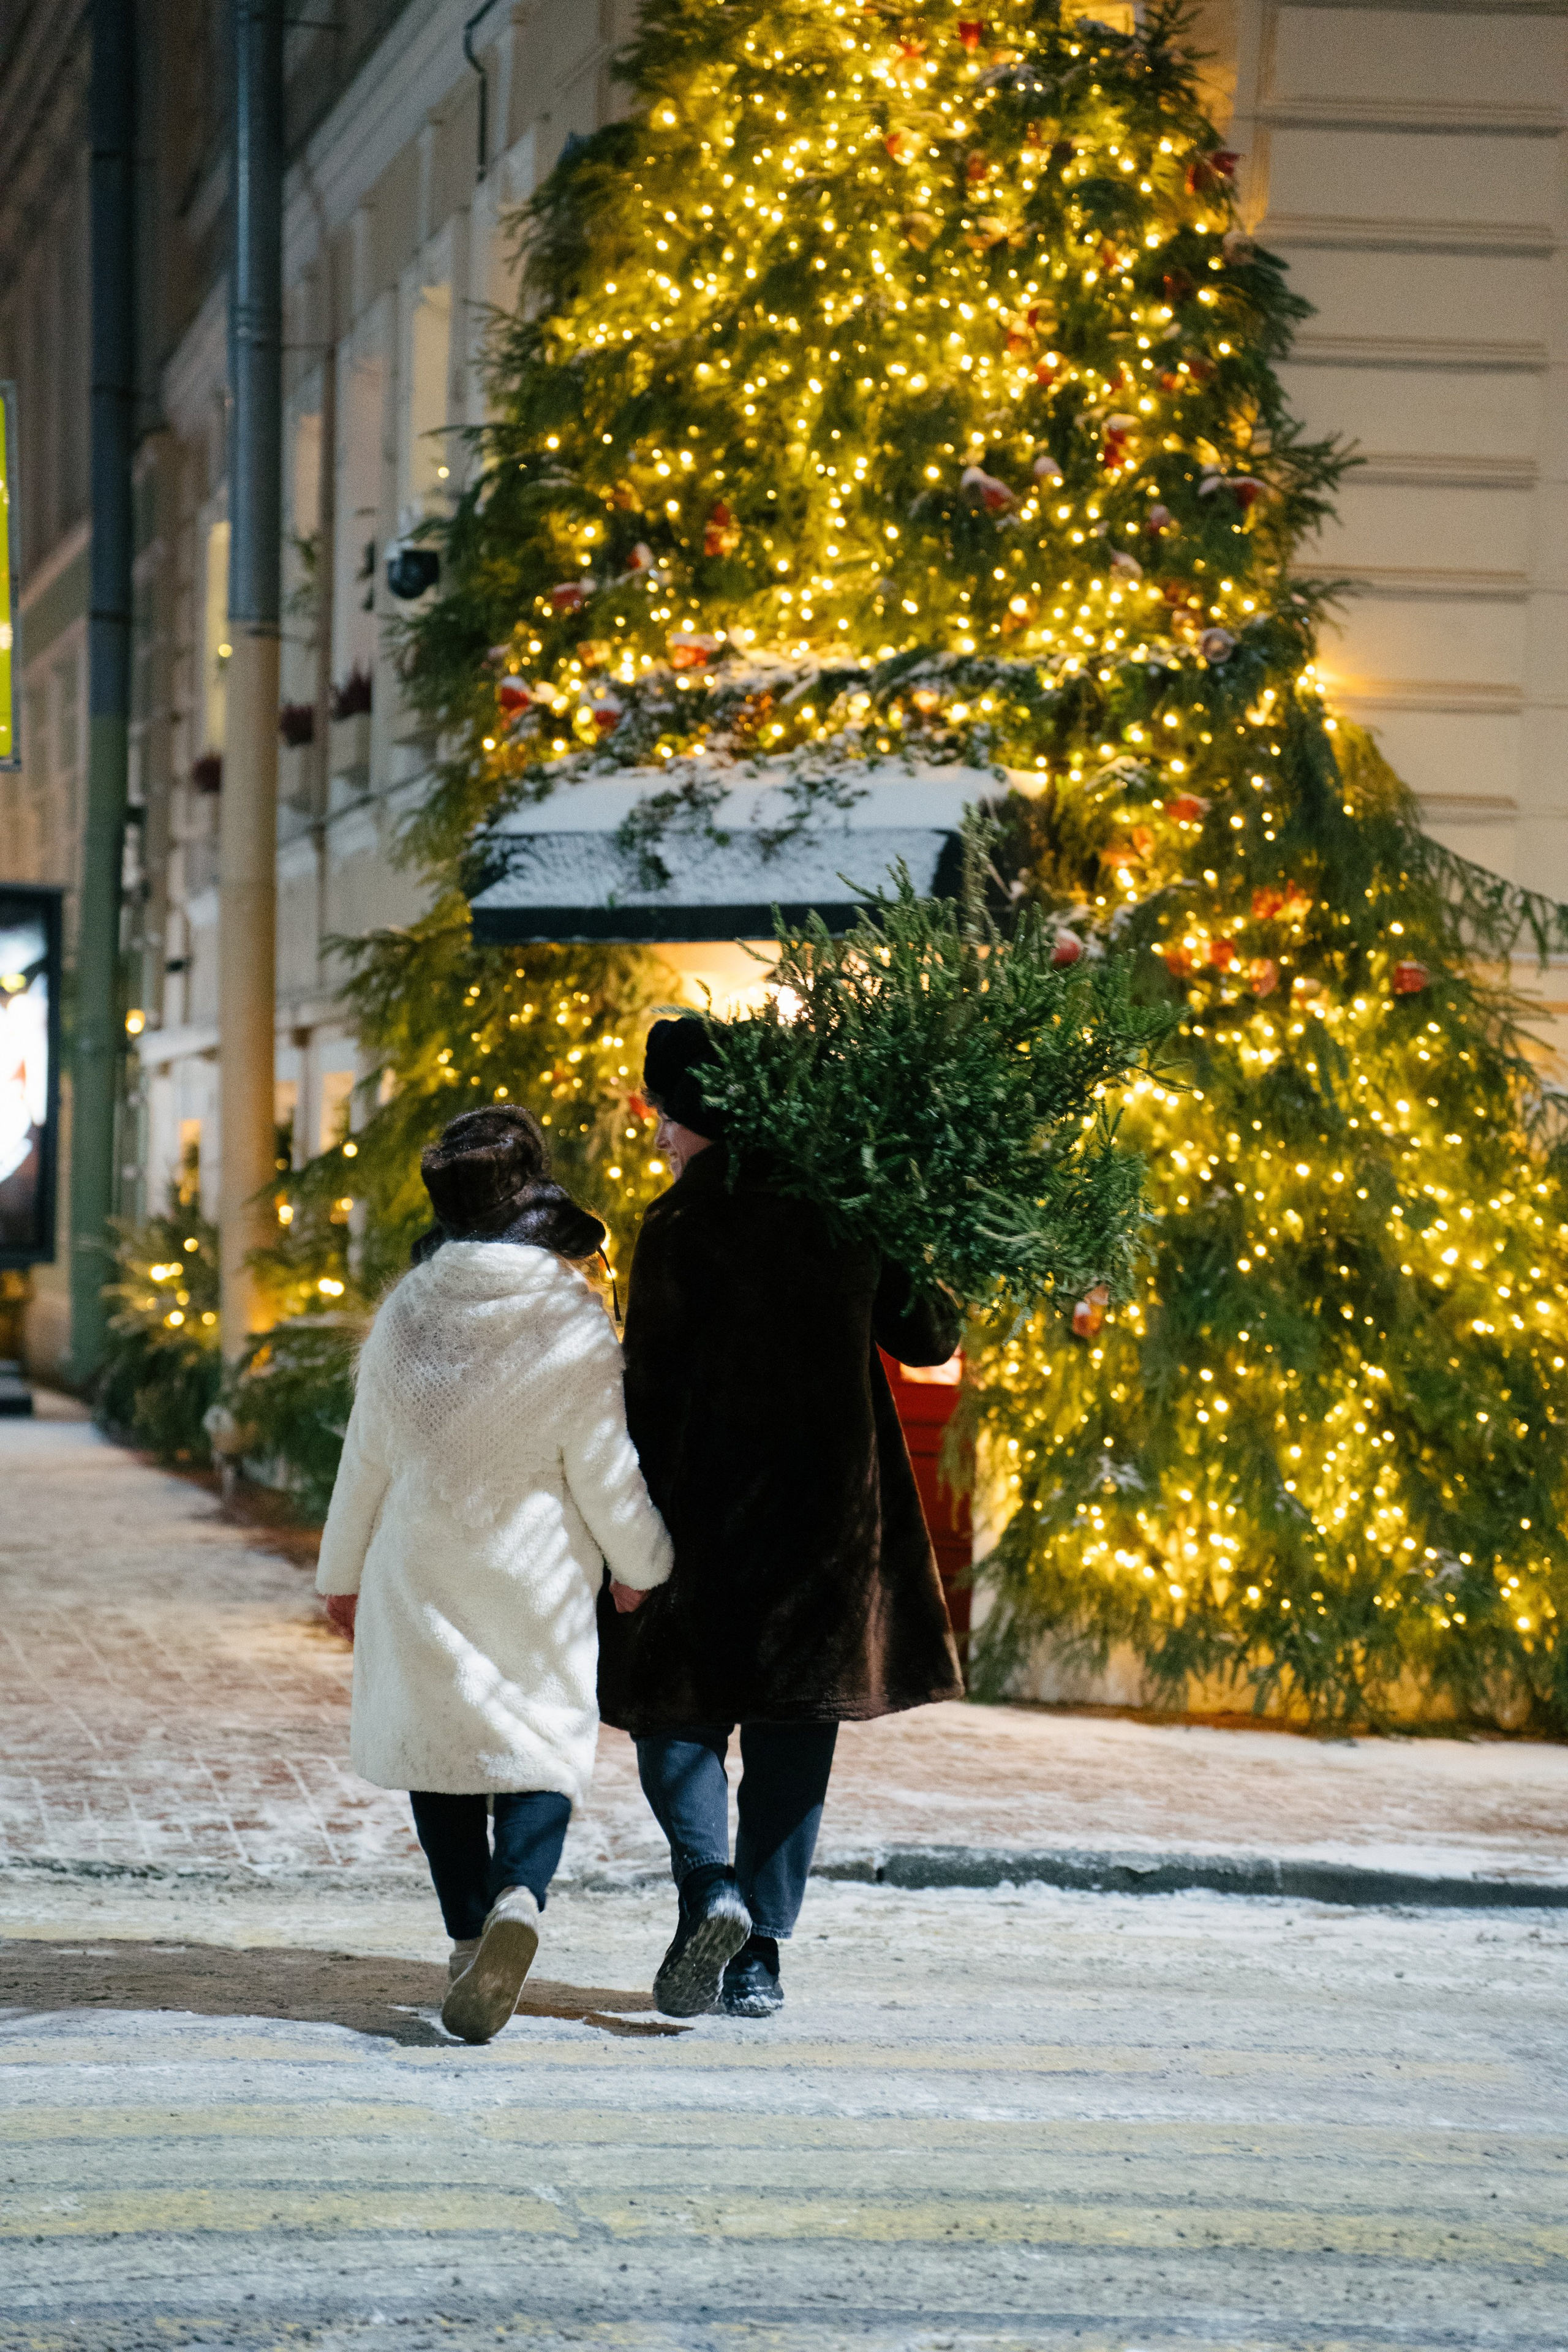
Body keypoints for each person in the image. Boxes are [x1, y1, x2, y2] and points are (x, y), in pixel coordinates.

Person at [599, 1017, 964, 2020]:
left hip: (700, 1518)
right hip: (826, 1528)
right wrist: (908, 1215)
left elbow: (648, 1393)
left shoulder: (678, 1227)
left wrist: (625, 1538)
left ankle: (708, 1886)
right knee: (795, 1730)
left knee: (670, 1710)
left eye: (667, 1114)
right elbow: (932, 1337)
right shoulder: (848, 1206)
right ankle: (758, 1954)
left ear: (702, 1115)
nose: (660, 1133)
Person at [316, 1105, 671, 2044]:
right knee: (541, 1739)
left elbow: (367, 1457)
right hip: (538, 1572)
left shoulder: (409, 1309)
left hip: (421, 1567)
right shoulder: (568, 1313)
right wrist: (640, 1561)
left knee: (437, 1752)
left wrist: (339, 1573)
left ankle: (470, 1934)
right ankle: (521, 1893)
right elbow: (605, 1464)